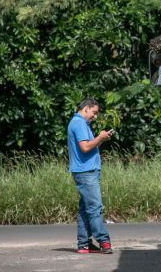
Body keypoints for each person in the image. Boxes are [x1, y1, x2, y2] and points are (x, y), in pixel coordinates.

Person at [67, 98, 114, 254]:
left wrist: (101, 138)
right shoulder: (79, 123)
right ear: (86, 108)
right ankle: (103, 240)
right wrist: (100, 137)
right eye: (94, 112)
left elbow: (89, 146)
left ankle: (84, 244)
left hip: (84, 170)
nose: (95, 116)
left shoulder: (80, 123)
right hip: (86, 172)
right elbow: (85, 147)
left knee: (85, 209)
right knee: (95, 207)